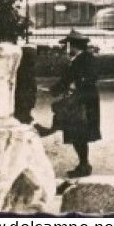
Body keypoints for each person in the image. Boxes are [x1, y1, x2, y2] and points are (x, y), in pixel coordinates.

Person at [48, 33, 101, 178]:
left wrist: (63, 90)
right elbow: (68, 78)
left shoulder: (84, 60)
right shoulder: (81, 59)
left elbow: (85, 79)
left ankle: (84, 165)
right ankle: (83, 164)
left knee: (79, 133)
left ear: (74, 45)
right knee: (77, 133)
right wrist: (56, 90)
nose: (66, 48)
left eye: (68, 45)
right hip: (82, 99)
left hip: (82, 101)